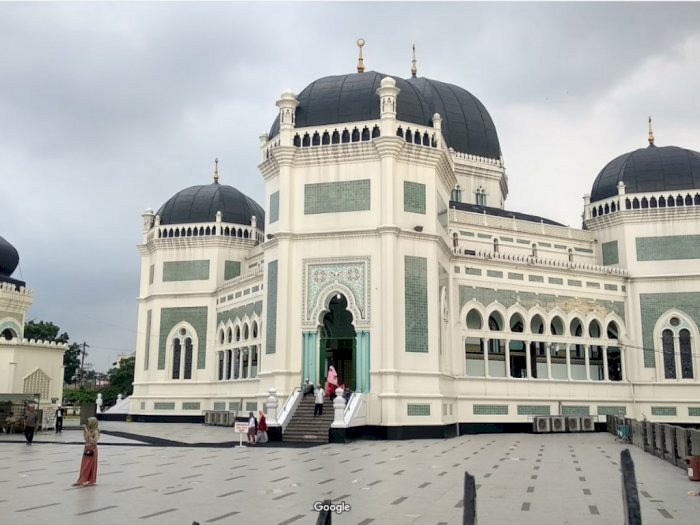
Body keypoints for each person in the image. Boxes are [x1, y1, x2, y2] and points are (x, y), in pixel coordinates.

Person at [73, 417, 100, 486]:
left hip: (92, 449)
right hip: (86, 448)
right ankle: (81, 480)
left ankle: (91, 480)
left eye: (89, 422)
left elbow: (93, 441)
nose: (88, 423)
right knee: (84, 465)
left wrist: (87, 431)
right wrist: (85, 431)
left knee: (90, 465)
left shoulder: (96, 431)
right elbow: (86, 439)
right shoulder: (89, 430)